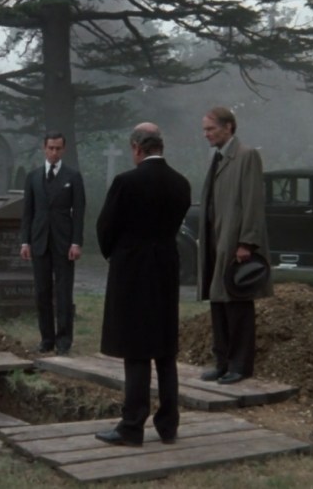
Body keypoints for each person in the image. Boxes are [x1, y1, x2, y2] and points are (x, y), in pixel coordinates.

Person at [94, 122, 191, 447]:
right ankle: (168, 424)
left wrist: (118, 253)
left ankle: (132, 426)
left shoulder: (126, 182)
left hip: (133, 269)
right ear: (161, 148)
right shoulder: (181, 183)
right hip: (166, 267)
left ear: (137, 148)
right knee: (164, 347)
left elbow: (106, 227)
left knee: (135, 348)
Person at [198, 106, 273, 385]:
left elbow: (253, 202)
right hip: (217, 241)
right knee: (218, 302)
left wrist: (247, 242)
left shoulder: (246, 156)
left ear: (228, 127)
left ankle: (240, 366)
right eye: (205, 129)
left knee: (237, 303)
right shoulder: (217, 157)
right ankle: (222, 362)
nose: (206, 134)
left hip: (234, 243)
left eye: (210, 128)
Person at [19, 132, 86, 356]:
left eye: (58, 148)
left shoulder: (73, 176)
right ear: (44, 148)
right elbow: (28, 212)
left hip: (64, 242)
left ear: (63, 149)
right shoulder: (33, 177)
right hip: (39, 241)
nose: (54, 152)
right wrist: (25, 241)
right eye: (51, 148)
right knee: (42, 291)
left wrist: (76, 242)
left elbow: (79, 212)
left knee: (64, 292)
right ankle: (46, 339)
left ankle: (64, 340)